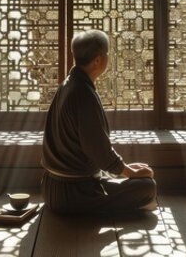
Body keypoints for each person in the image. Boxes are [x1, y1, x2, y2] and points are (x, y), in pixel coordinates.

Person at [41, 29, 157, 215]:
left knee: (139, 183)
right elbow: (98, 149)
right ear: (98, 59)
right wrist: (127, 172)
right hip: (73, 194)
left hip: (50, 188)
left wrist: (124, 168)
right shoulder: (82, 93)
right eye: (107, 54)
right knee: (147, 188)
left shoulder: (68, 84)